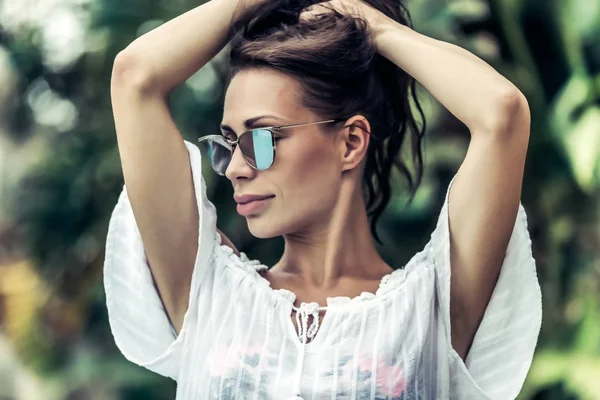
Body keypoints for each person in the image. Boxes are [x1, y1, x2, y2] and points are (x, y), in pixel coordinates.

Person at [103, 0, 542, 398]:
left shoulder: (433, 307)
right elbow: (135, 76)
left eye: (260, 139)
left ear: (350, 142)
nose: (236, 167)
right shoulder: (208, 292)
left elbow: (500, 112)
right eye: (229, 143)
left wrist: (375, 27)